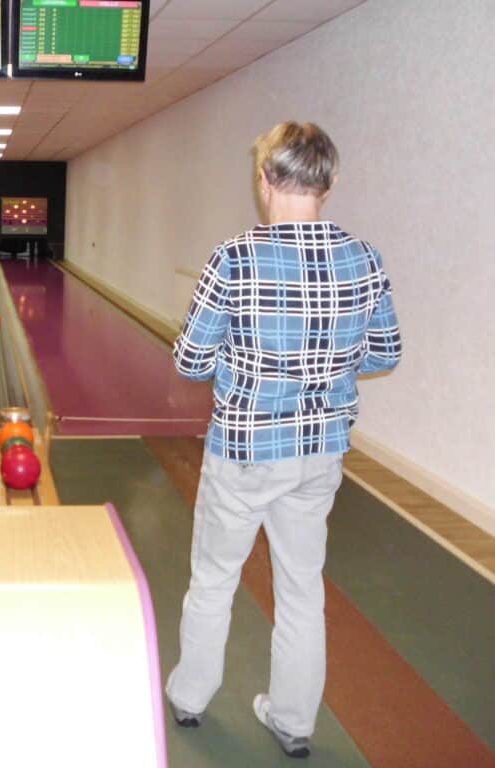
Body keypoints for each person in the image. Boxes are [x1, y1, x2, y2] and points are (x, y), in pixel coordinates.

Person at [165, 122, 401, 758]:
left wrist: (247, 368)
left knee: (214, 578)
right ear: (330, 181)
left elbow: (190, 360)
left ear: (265, 177)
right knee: (302, 588)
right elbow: (386, 352)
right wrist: (324, 368)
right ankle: (294, 720)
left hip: (244, 450)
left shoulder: (234, 257)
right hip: (320, 452)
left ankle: (190, 697)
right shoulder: (364, 258)